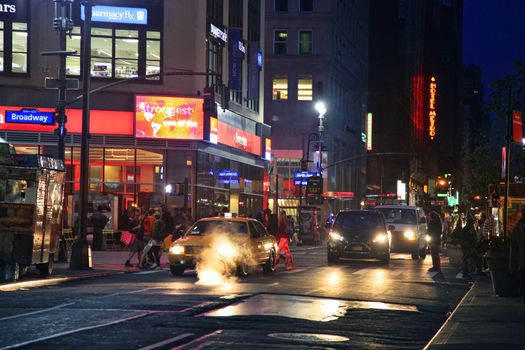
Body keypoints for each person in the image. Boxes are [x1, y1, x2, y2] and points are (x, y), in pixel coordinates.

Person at [510, 206, 525, 313]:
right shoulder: (517, 230)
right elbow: (513, 249)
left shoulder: (517, 229)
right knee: (522, 286)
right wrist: (512, 265)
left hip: (521, 264)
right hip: (522, 264)